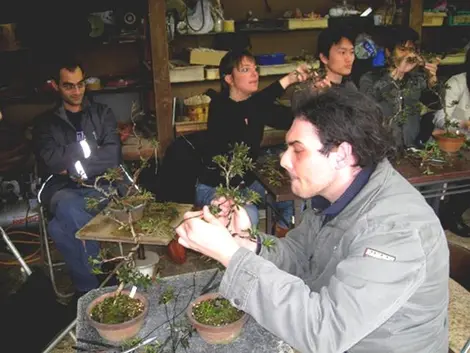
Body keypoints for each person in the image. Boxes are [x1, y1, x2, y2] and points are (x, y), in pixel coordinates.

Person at [176, 86, 449, 353]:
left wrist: (231, 255)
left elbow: (324, 332)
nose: (284, 160)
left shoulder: (394, 230)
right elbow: (299, 255)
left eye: (298, 149)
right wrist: (248, 244)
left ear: (341, 155)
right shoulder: (336, 197)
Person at [196, 49, 309, 236]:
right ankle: (199, 220)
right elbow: (248, 108)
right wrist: (288, 80)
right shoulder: (219, 105)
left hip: (247, 185)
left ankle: (279, 237)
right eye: (245, 69)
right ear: (229, 79)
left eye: (255, 69)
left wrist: (314, 93)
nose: (254, 74)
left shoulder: (257, 106)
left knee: (296, 197)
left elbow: (293, 119)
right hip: (217, 187)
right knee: (248, 218)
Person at [32, 59, 121, 295]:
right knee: (70, 208)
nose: (77, 91)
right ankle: (99, 279)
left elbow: (112, 156)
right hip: (62, 190)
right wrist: (90, 149)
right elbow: (52, 161)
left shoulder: (102, 113)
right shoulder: (44, 124)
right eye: (69, 86)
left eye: (80, 84)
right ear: (56, 86)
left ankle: (86, 288)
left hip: (103, 185)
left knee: (58, 229)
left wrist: (71, 164)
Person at [359, 26, 440, 149]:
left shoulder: (416, 79)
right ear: (388, 52)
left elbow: (435, 105)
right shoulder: (370, 78)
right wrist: (393, 77)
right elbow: (366, 106)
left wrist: (432, 81)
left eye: (411, 49)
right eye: (402, 49)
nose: (408, 55)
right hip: (382, 150)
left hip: (412, 148)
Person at [437, 48, 470, 237]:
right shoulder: (456, 83)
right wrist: (464, 124)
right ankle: (452, 214)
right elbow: (442, 117)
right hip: (454, 142)